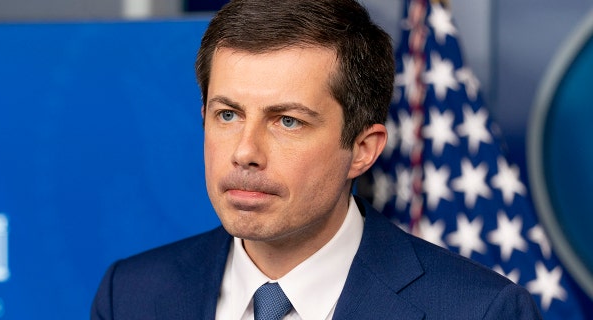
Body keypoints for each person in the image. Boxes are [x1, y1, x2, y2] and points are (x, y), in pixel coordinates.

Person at [91, 0, 542, 319]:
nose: (245, 151)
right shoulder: (130, 295)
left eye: (287, 121)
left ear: (363, 150)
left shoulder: (480, 311)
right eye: (227, 114)